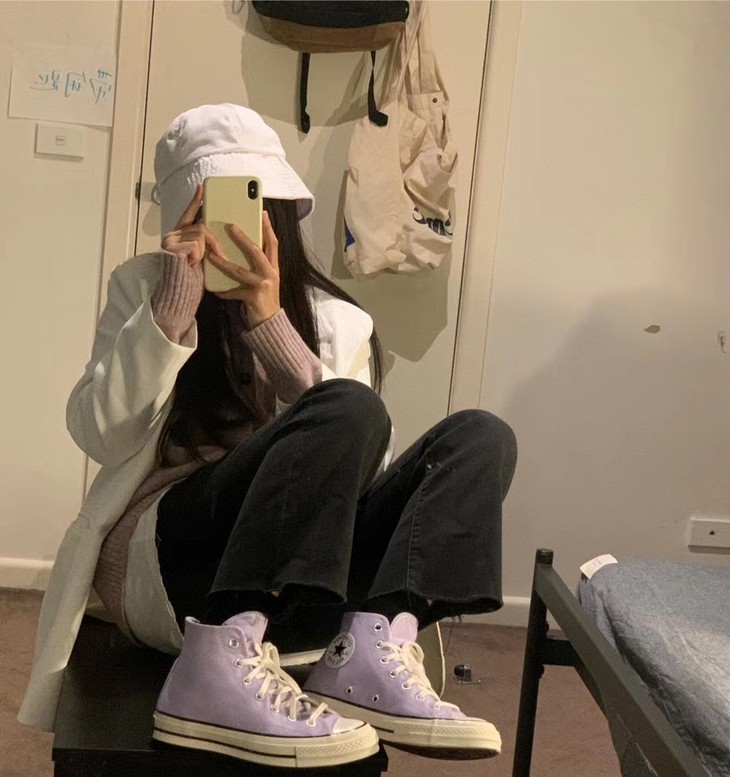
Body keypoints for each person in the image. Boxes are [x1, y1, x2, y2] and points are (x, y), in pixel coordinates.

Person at [19, 104, 517, 769]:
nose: (230, 225)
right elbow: (100, 434)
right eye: (208, 207)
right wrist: (173, 308)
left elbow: (354, 471)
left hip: (305, 592)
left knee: (480, 436)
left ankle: (377, 638)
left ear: (276, 209)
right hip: (178, 572)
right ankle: (217, 662)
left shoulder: (339, 320)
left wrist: (269, 321)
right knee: (347, 405)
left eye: (247, 203)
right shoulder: (142, 290)